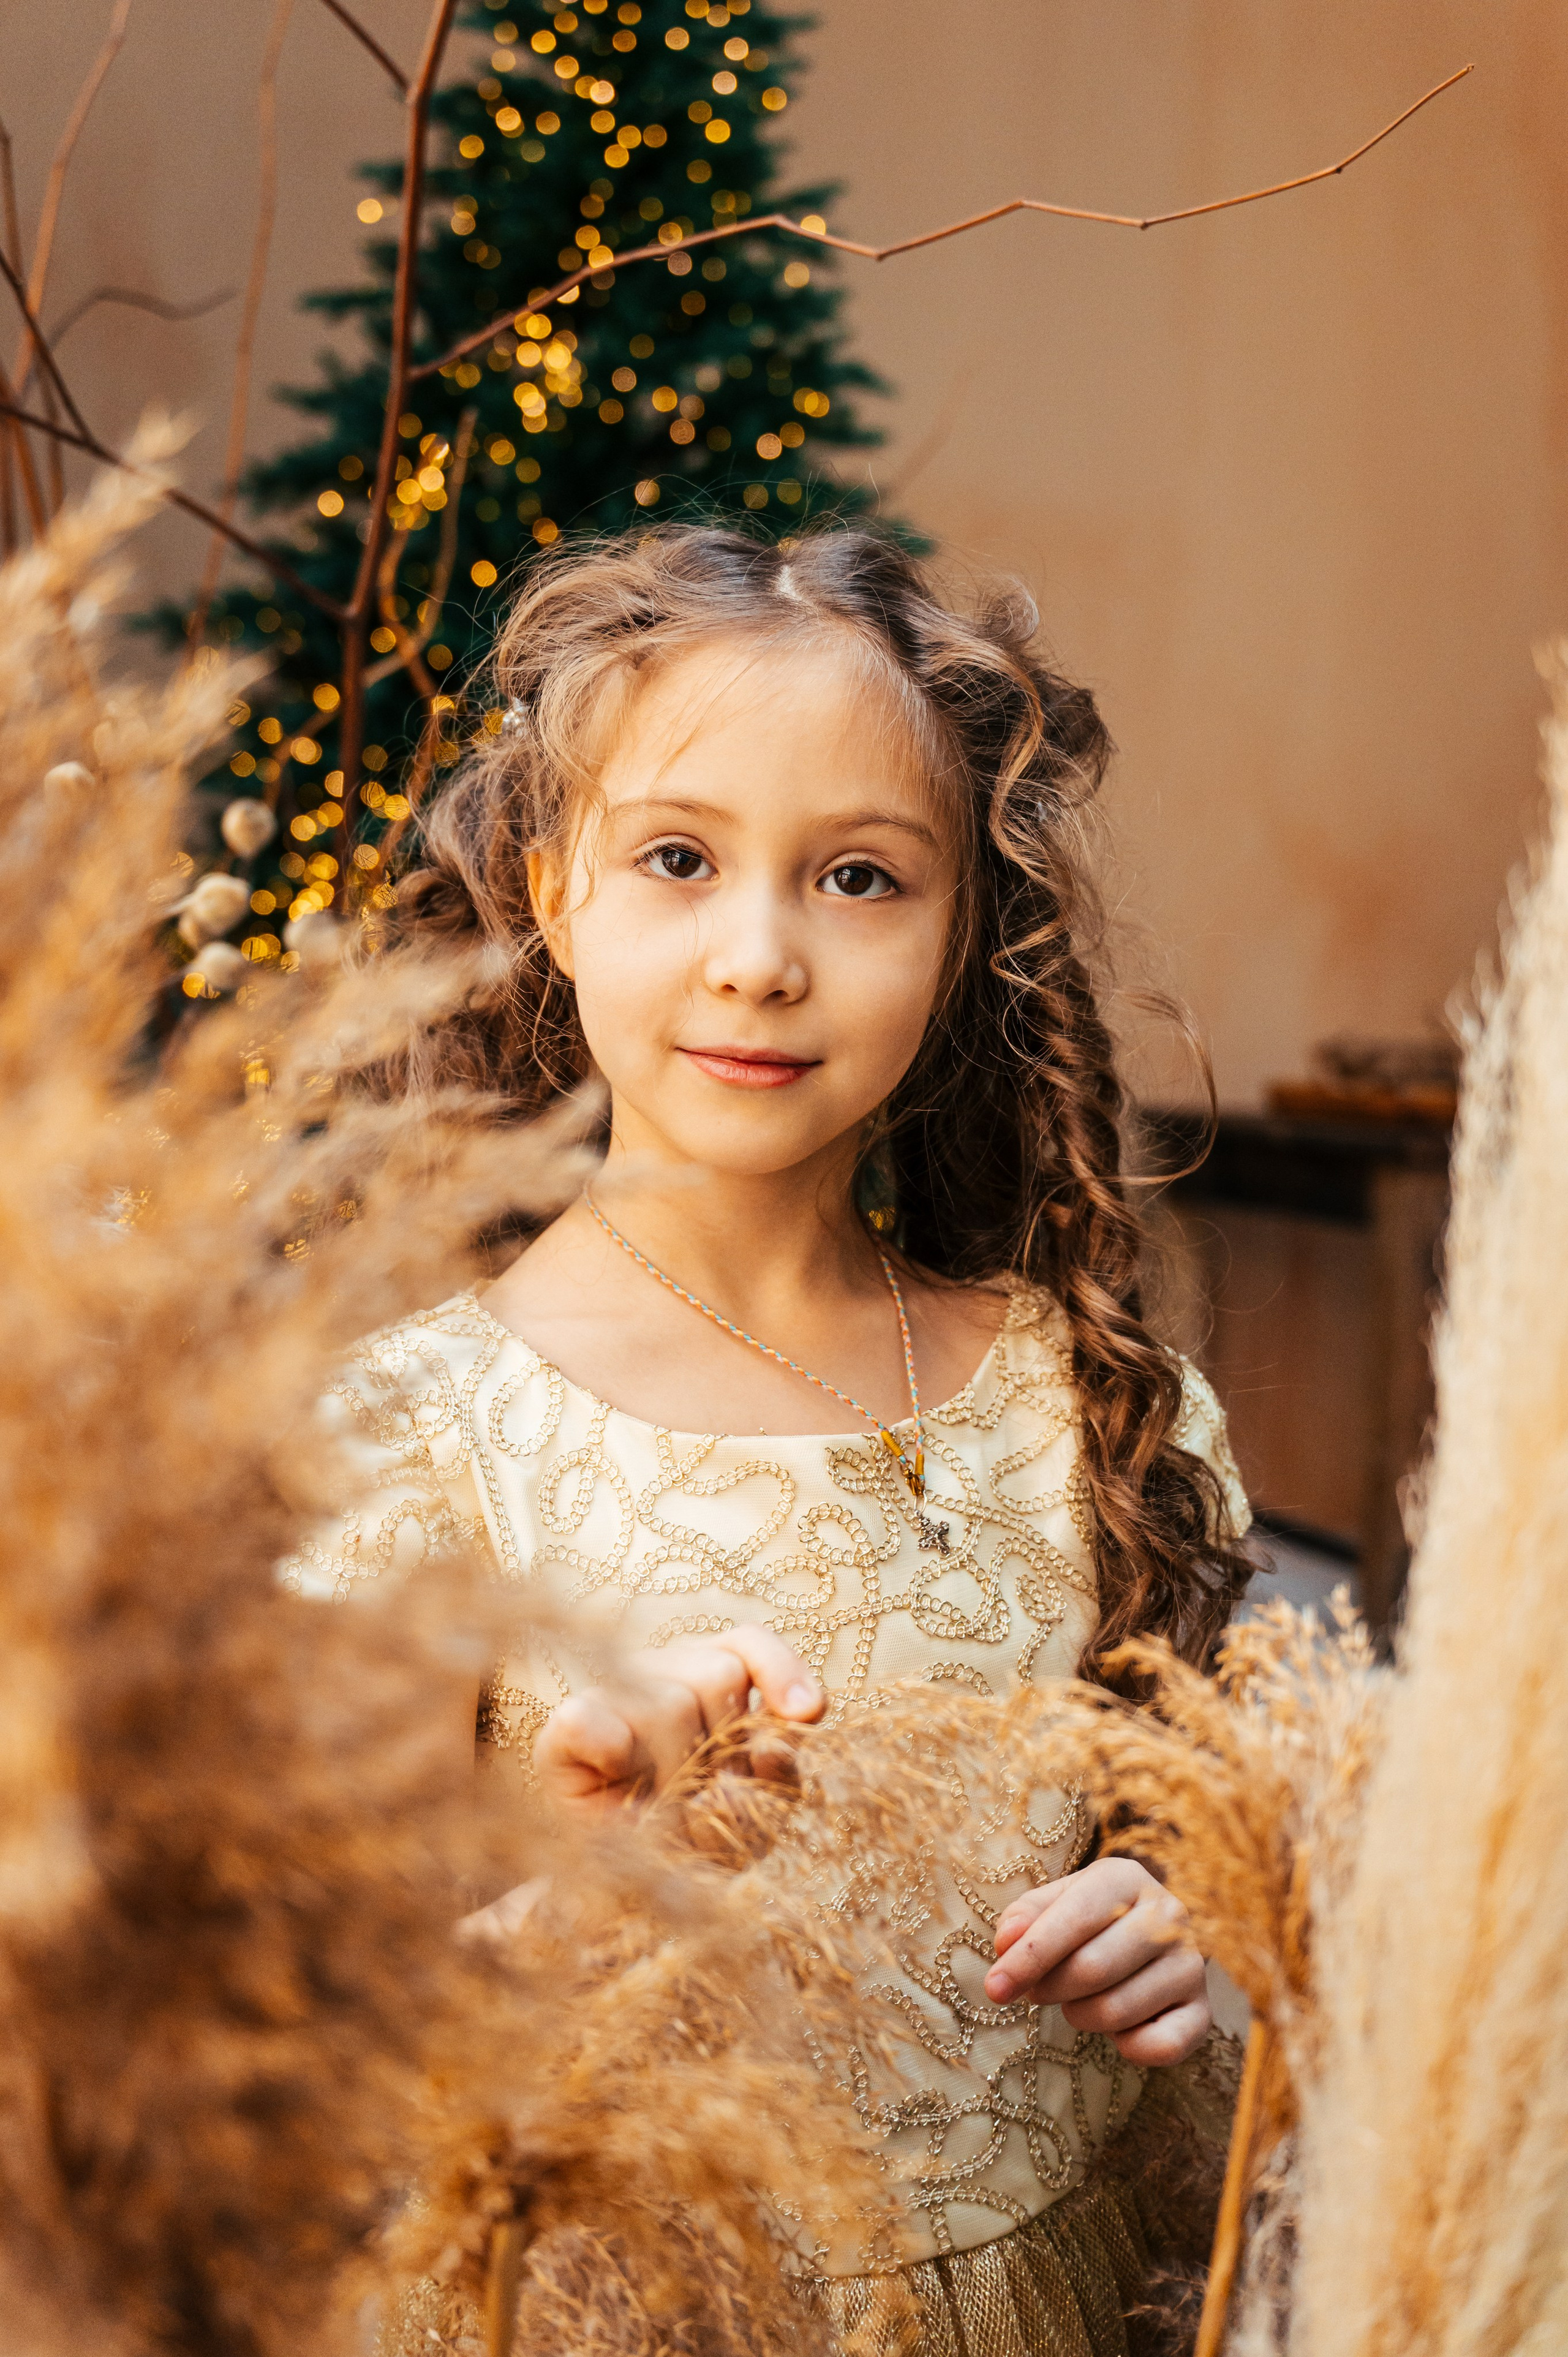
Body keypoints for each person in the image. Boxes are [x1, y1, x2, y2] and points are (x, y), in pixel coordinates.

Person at [294, 526, 1253, 2355]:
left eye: (860, 880)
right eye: (678, 858)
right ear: (550, 888)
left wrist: (1186, 1910)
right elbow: (312, 2051)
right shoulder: (414, 1435)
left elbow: (1205, 1814)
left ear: (968, 926)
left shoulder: (1093, 1409)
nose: (759, 957)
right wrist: (575, 1880)